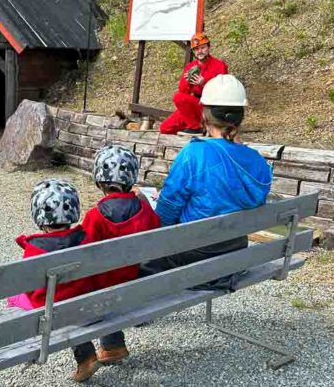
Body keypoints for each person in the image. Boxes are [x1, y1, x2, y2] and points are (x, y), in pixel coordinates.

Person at [144, 75, 272, 279]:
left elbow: (168, 207)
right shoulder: (257, 161)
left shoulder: (195, 153)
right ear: (240, 117)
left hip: (194, 256)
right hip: (235, 254)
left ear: (205, 115)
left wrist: (157, 241)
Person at [6, 178, 100, 382]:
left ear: (38, 215)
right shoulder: (86, 238)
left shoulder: (35, 249)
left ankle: (29, 345)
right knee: (67, 305)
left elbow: (29, 288)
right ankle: (90, 354)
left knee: (13, 297)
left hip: (53, 311)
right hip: (87, 303)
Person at [80, 144, 161, 365]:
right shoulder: (145, 210)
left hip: (109, 290)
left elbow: (83, 256)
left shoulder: (95, 216)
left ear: (99, 182)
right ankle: (114, 344)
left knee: (97, 284)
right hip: (142, 283)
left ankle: (112, 346)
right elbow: (156, 238)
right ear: (132, 180)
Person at [159, 32, 229, 136]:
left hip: (211, 107)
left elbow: (223, 92)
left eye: (202, 48)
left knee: (178, 97)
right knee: (165, 128)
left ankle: (196, 128)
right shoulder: (190, 66)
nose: (199, 51)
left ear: (208, 48)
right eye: (196, 49)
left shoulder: (219, 65)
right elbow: (183, 92)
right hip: (195, 105)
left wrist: (204, 84)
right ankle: (200, 127)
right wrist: (187, 81)